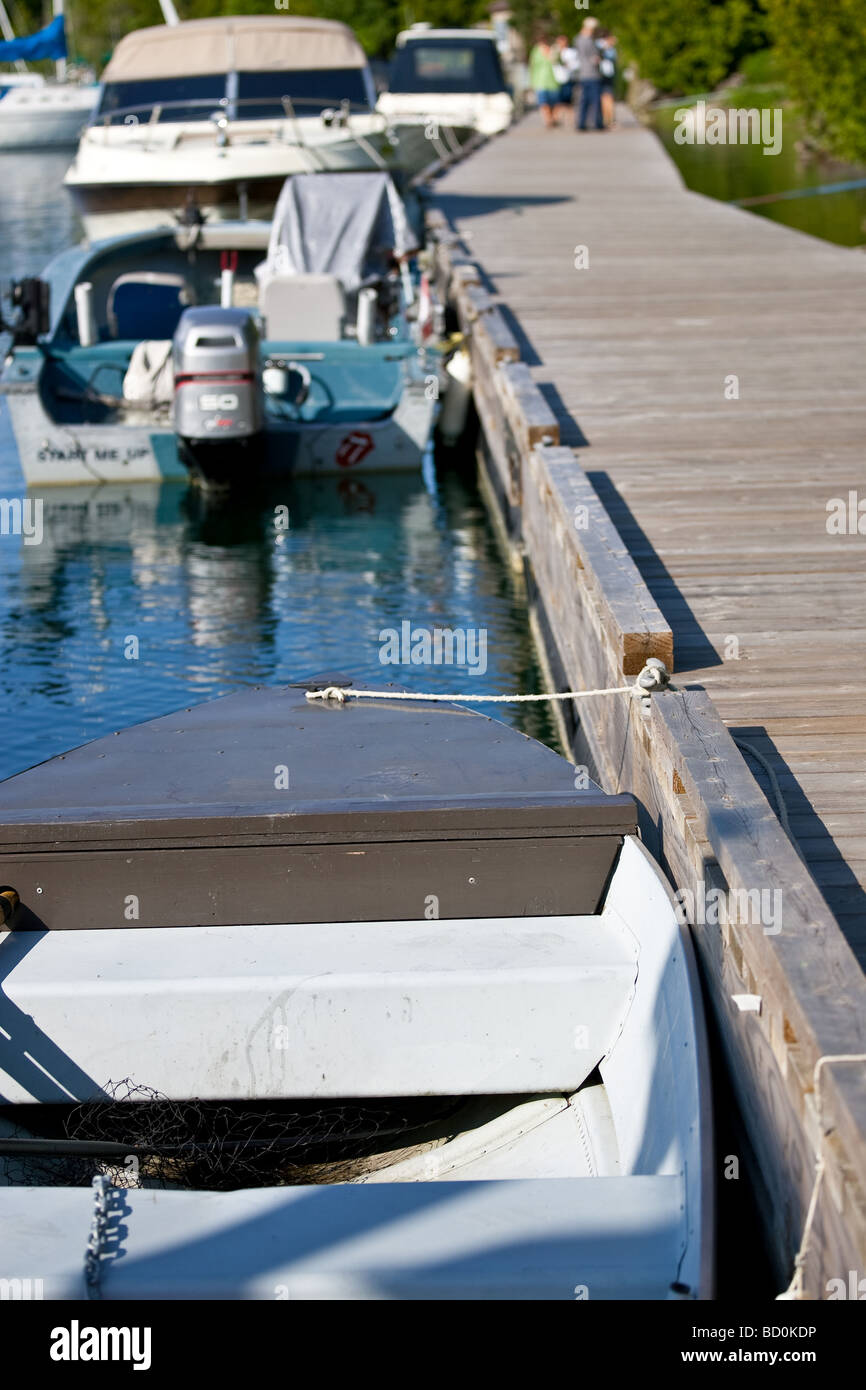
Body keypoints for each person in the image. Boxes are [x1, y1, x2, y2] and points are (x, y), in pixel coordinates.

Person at [575, 16, 604, 132]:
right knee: (595, 100)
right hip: (592, 73)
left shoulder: (577, 39)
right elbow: (592, 56)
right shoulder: (588, 40)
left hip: (583, 74)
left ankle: (581, 123)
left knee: (584, 100)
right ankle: (597, 123)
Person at [528, 32, 560, 129]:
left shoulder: (553, 50)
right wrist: (531, 82)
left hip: (553, 80)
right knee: (543, 102)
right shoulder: (535, 51)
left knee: (554, 102)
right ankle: (548, 120)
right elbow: (532, 67)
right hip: (540, 80)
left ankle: (553, 118)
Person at [553, 34, 578, 126]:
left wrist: (568, 65)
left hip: (567, 79)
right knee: (558, 101)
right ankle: (557, 119)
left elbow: (576, 65)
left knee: (568, 101)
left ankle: (570, 119)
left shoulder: (571, 52)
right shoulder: (555, 52)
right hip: (557, 79)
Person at [597, 29, 618, 129]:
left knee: (607, 96)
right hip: (601, 74)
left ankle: (609, 118)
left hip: (607, 74)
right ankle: (608, 119)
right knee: (606, 97)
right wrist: (608, 46)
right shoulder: (600, 45)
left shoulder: (609, 47)